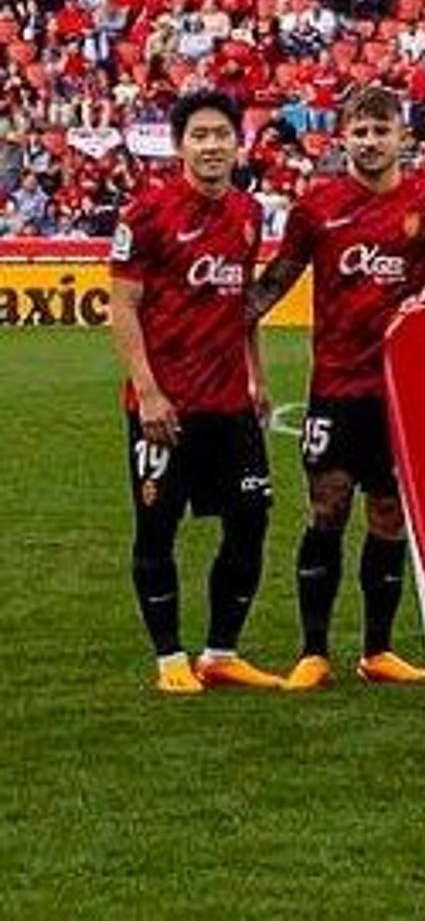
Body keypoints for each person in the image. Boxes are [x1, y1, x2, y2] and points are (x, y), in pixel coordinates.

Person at [243, 85, 425, 690]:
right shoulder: (317, 207)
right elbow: (271, 285)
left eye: (380, 131)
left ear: (403, 138)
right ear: (343, 137)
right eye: (359, 133)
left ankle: (378, 650)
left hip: (401, 389)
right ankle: (313, 651)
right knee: (328, 506)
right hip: (337, 384)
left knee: (389, 514)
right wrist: (232, 334)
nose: (370, 143)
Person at [110, 89, 282, 695]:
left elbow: (242, 306)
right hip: (166, 407)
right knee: (158, 529)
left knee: (251, 519)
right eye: (199, 136)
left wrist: (257, 374)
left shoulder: (249, 212)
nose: (212, 146)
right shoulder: (146, 214)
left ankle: (220, 652)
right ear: (181, 145)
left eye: (222, 135)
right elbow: (122, 307)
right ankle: (168, 659)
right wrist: (148, 393)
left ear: (240, 142)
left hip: (231, 403)